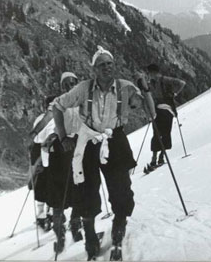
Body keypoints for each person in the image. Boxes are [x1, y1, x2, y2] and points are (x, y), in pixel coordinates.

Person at [52, 46, 156, 260]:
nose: (107, 68)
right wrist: (62, 137)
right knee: (87, 191)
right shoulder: (83, 89)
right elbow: (58, 106)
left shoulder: (125, 88)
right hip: (89, 141)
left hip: (115, 140)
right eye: (102, 65)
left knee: (121, 189)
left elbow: (151, 112)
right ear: (94, 70)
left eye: (110, 64)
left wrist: (144, 88)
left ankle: (119, 224)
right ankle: (90, 237)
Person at [45, 72, 83, 254]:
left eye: (73, 83)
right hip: (63, 147)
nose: (70, 86)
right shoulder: (59, 102)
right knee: (61, 189)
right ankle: (59, 231)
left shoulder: (80, 101)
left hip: (78, 147)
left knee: (79, 187)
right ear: (62, 86)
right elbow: (54, 122)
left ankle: (76, 224)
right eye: (67, 84)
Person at [145, 64, 185, 168]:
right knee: (165, 133)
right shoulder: (156, 82)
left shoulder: (162, 80)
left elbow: (181, 83)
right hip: (165, 110)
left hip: (162, 110)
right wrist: (174, 93)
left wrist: (174, 93)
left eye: (149, 73)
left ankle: (155, 158)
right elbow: (181, 83)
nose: (148, 75)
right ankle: (160, 157)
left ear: (153, 72)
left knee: (157, 133)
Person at [29, 96, 56, 232]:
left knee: (52, 185)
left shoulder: (61, 117)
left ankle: (50, 213)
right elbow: (36, 139)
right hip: (43, 155)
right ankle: (42, 216)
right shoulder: (41, 119)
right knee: (42, 185)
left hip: (55, 156)